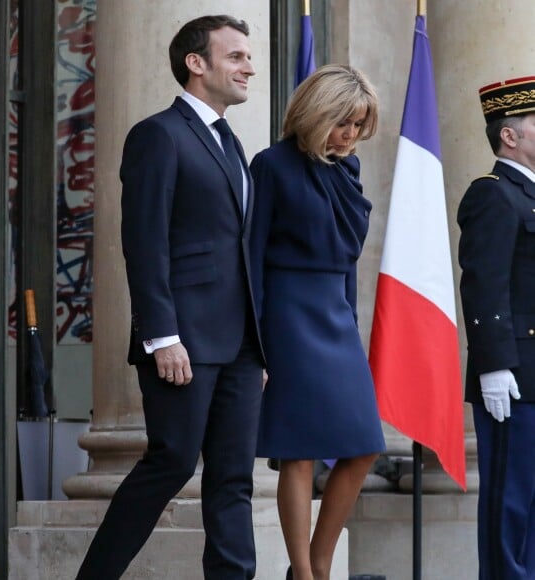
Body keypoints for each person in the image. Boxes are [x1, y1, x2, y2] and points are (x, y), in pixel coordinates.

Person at [76, 15, 265, 580]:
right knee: (172, 462)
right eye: (235, 56)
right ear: (196, 63)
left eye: (249, 57)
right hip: (182, 337)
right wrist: (162, 335)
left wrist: (258, 349)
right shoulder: (158, 134)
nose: (249, 66)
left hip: (240, 345)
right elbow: (144, 242)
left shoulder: (232, 142)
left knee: (233, 476)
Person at [249, 64, 386, 580]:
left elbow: (347, 260)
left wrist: (350, 323)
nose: (350, 135)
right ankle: (304, 572)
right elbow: (251, 257)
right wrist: (257, 343)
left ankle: (322, 560)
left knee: (365, 445)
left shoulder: (346, 170)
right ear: (315, 114)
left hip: (335, 317)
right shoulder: (272, 165)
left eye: (358, 125)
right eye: (342, 122)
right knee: (298, 449)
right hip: (287, 316)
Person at [457, 76, 535, 580]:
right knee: (511, 496)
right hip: (514, 375)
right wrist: (493, 364)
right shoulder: (495, 195)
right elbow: (485, 284)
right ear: (510, 135)